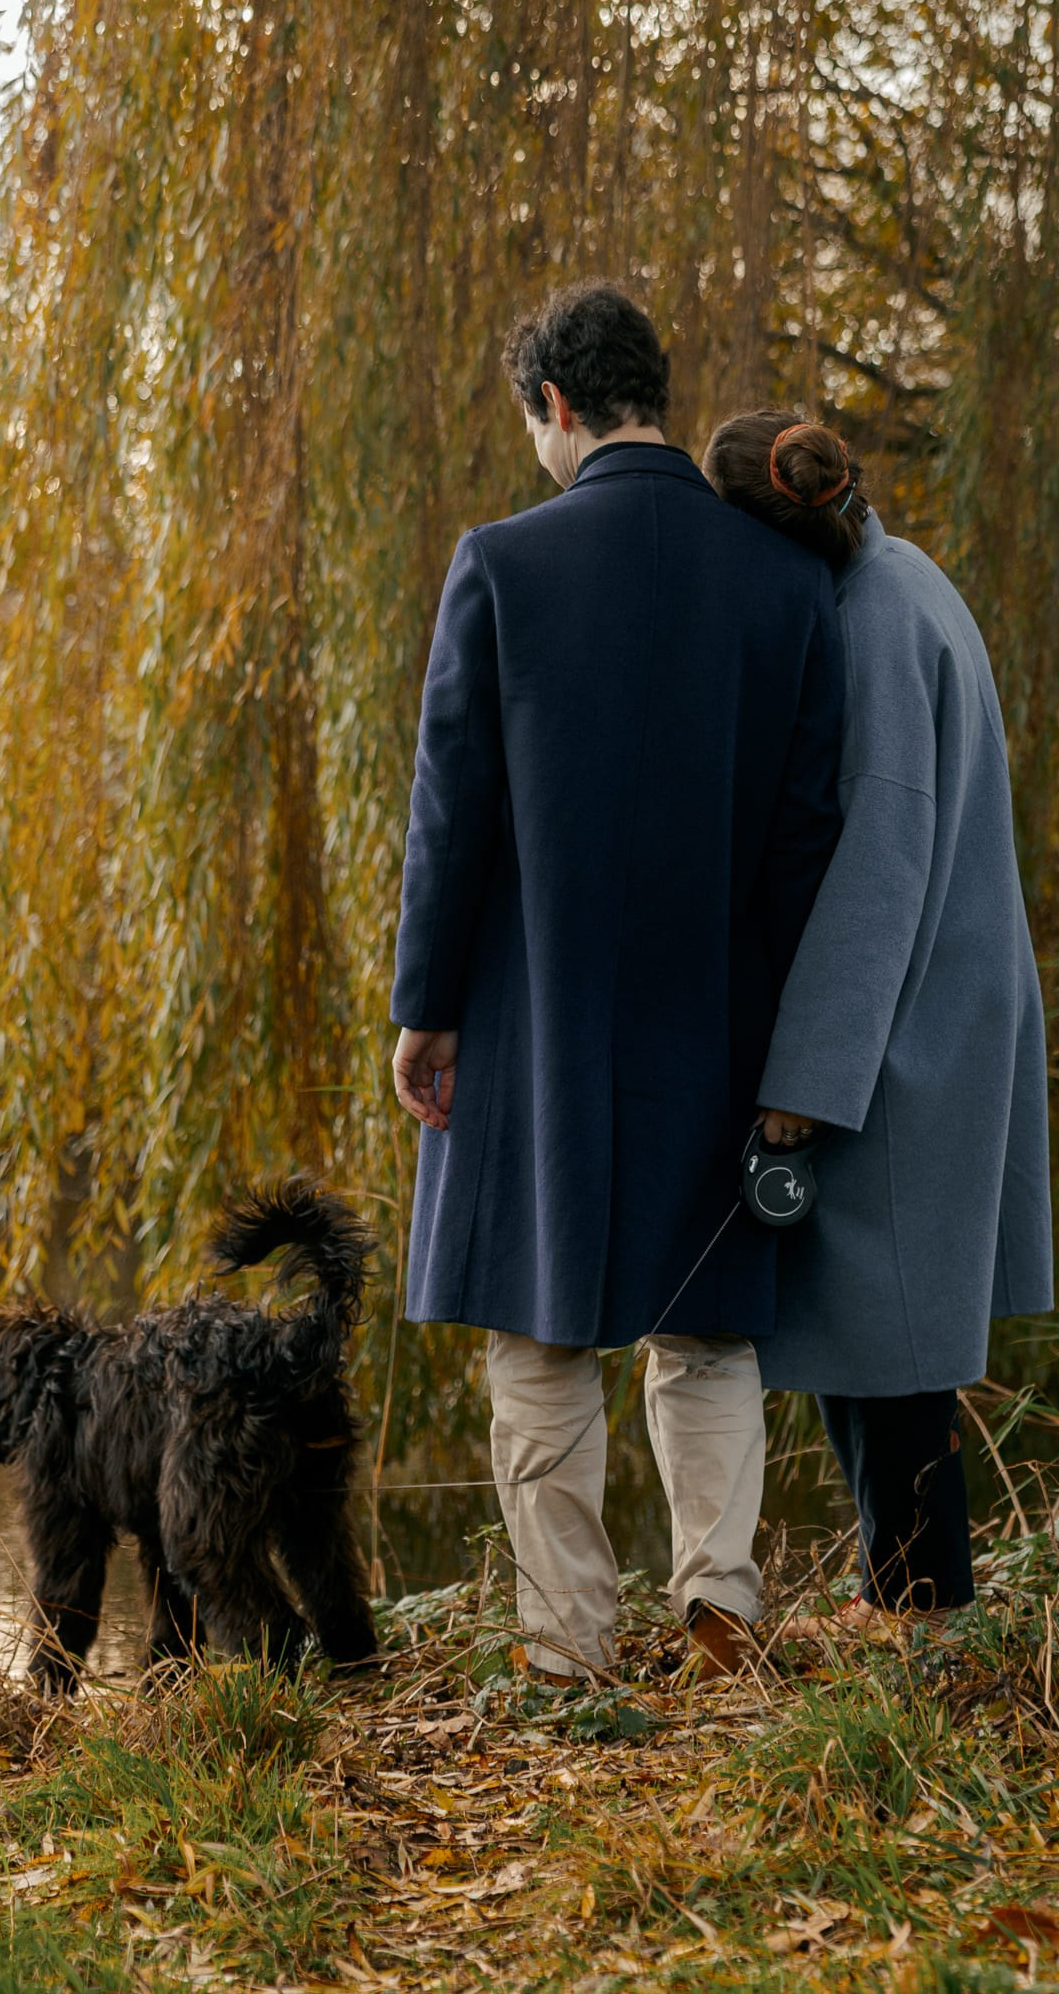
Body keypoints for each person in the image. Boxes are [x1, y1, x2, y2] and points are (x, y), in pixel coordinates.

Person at [390, 284, 846, 1682]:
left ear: (559, 408)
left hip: (538, 1018)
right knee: (705, 1334)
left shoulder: (503, 566)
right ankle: (719, 1607)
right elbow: (804, 836)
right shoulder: (783, 580)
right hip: (721, 1019)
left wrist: (426, 1007)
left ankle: (568, 1642)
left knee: (540, 1341)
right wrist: (789, 1045)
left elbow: (451, 813)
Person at [702, 412, 1054, 1618]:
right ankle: (904, 1597)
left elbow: (878, 863)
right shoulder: (910, 579)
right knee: (886, 1338)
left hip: (910, 1028)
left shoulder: (866, 627)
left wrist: (802, 1082)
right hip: (950, 999)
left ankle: (919, 1614)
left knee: (888, 1341)